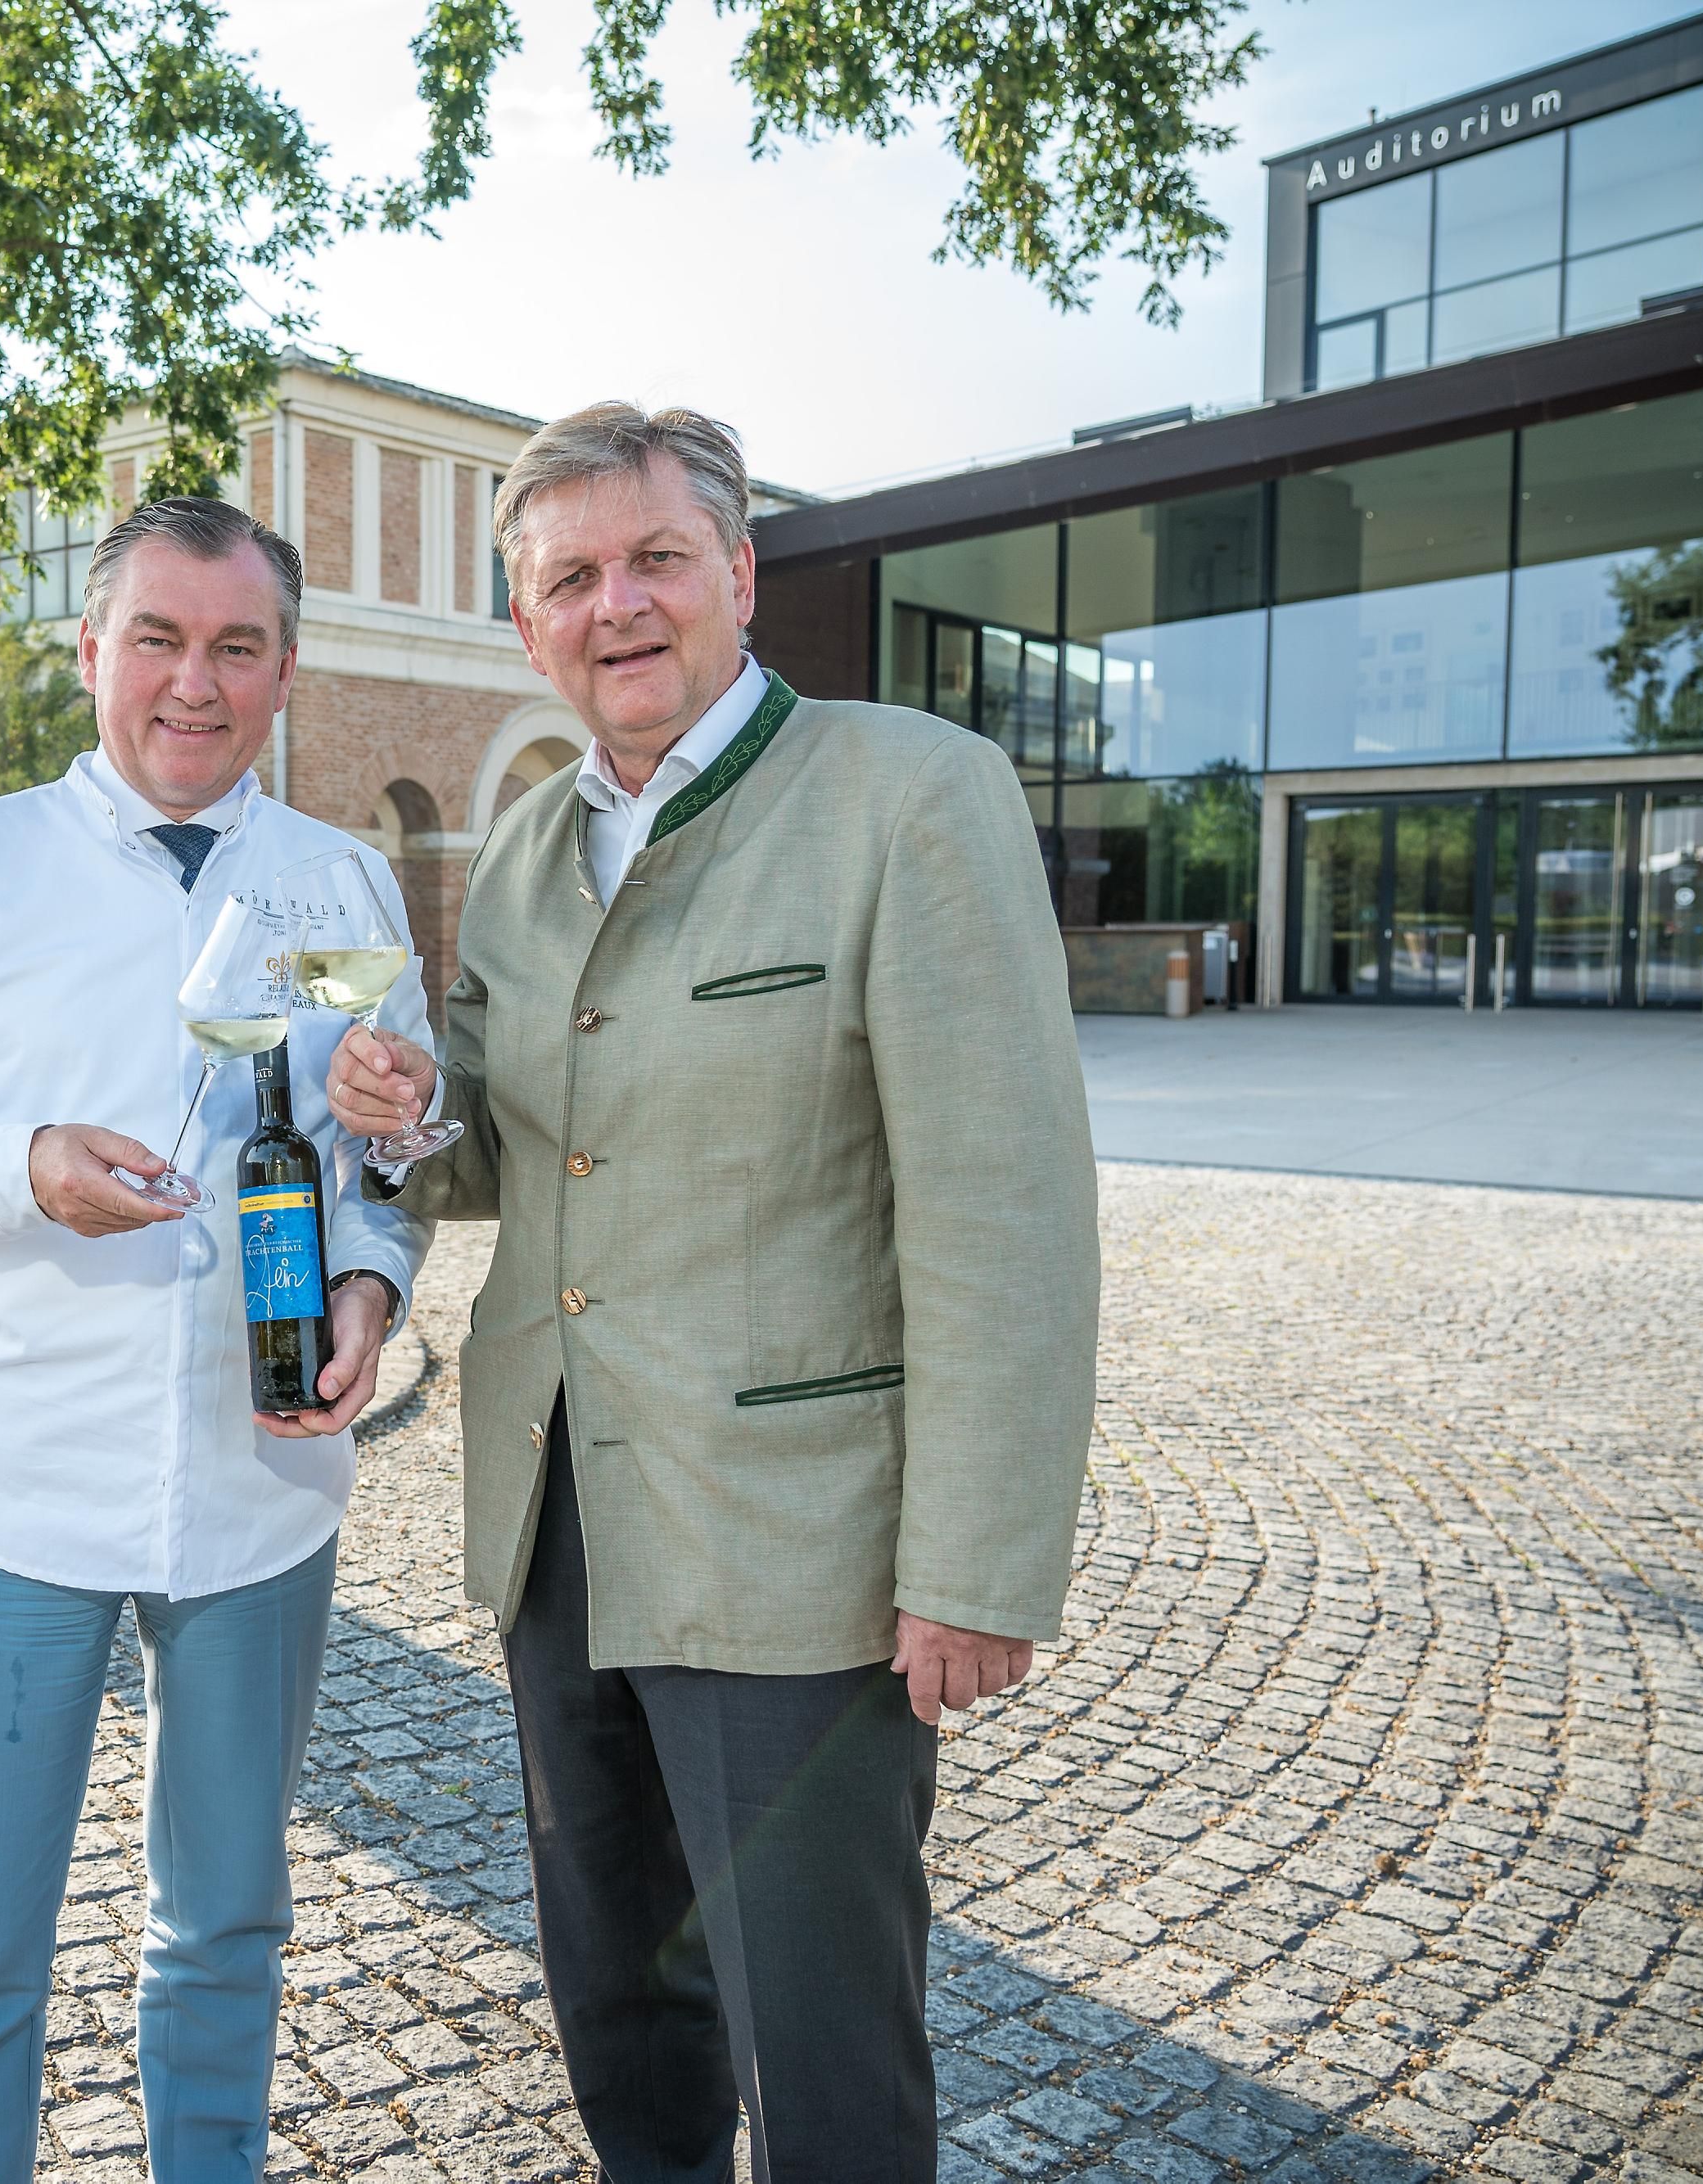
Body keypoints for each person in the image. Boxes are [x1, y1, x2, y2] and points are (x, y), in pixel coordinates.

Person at [327, 404, 1099, 2181]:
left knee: (817, 2038)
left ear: (737, 574)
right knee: (619, 2007)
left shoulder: (911, 793)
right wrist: (405, 1109)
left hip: (794, 1545)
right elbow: (503, 1149)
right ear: (525, 625)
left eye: (655, 557)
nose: (617, 604)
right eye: (570, 577)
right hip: (556, 1520)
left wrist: (974, 1566)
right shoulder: (524, 851)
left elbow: (1004, 1213)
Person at [0, 497, 434, 2183]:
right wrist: (15, 1170)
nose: (191, 684)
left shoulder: (340, 880)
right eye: (155, 636)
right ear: (90, 650)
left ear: (284, 669)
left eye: (233, 646)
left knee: (225, 1928)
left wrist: (367, 1282)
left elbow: (377, 1162)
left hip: (259, 1497)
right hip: (13, 1497)